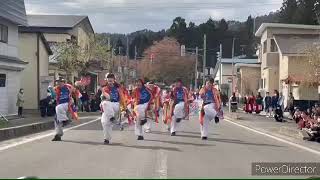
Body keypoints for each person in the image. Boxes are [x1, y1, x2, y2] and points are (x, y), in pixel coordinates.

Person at [100, 73, 127, 144]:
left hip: (115, 105)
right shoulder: (104, 88)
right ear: (107, 81)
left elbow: (122, 99)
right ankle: (107, 139)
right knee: (104, 122)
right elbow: (102, 99)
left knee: (106, 103)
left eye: (111, 81)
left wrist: (125, 108)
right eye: (109, 81)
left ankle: (112, 117)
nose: (110, 82)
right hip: (107, 107)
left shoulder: (118, 88)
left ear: (114, 81)